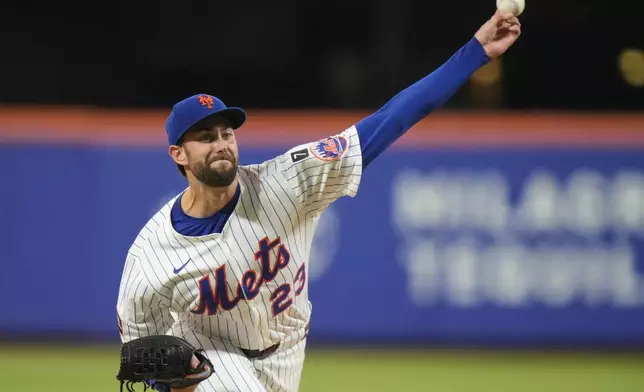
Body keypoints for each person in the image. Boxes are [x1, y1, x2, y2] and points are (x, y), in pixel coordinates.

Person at [116, 10, 521, 392]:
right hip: (212, 360)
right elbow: (139, 350)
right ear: (179, 155)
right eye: (205, 138)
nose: (221, 144)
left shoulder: (288, 182)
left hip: (287, 351)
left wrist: (476, 52)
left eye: (226, 133)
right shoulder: (150, 255)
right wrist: (174, 381)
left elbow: (388, 121)